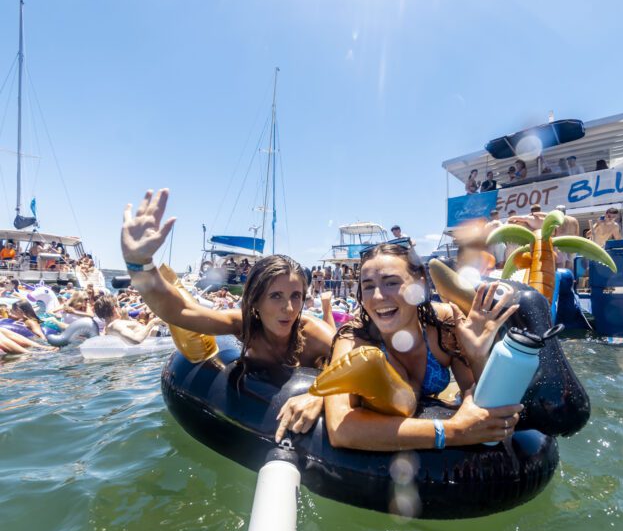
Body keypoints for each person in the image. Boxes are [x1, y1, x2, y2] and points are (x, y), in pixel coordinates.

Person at [121, 189, 336, 443]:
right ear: (255, 300)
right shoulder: (243, 325)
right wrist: (139, 263)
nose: (289, 308)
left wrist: (321, 393)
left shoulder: (312, 333)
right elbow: (181, 311)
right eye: (276, 296)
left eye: (296, 296)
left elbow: (363, 364)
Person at [324, 244, 522, 451]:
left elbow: (482, 403)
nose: (378, 297)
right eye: (368, 286)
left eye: (391, 283)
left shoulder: (444, 323)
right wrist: (452, 430)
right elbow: (340, 430)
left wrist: (477, 355)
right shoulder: (353, 338)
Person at [95, 294, 163, 343]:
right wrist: (153, 323)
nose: (121, 309)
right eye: (119, 306)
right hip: (160, 334)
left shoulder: (107, 327)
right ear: (114, 309)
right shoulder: (115, 325)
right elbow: (136, 340)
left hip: (158, 335)